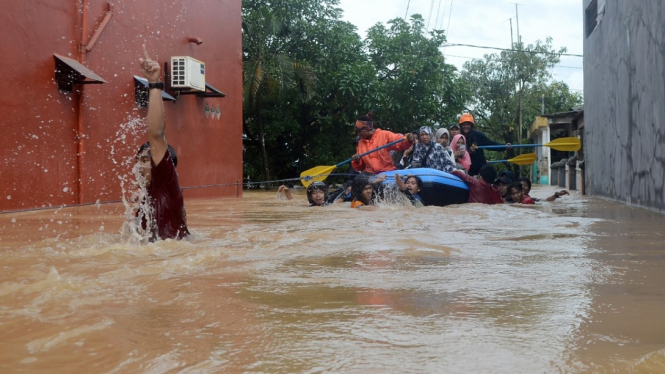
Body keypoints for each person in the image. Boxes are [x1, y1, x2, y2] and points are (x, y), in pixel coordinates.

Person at [134, 45, 189, 241]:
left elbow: (156, 134)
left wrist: (155, 84)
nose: (140, 166)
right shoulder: (145, 198)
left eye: (147, 160)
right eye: (139, 160)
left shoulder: (167, 182)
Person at [351, 113, 416, 174]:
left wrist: (408, 140)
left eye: (359, 131)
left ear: (367, 129)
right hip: (370, 175)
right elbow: (360, 168)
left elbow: (399, 142)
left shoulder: (384, 135)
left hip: (387, 173)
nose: (358, 134)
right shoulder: (360, 143)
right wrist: (357, 161)